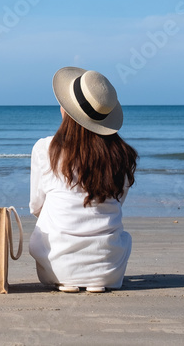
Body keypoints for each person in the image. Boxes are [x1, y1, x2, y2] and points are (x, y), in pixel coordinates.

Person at [29, 67, 138, 293]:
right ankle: (95, 277)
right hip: (109, 267)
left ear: (67, 111)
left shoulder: (46, 149)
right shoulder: (122, 156)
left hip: (56, 264)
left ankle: (69, 275)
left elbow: (35, 206)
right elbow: (118, 203)